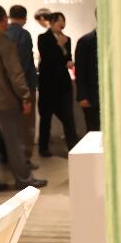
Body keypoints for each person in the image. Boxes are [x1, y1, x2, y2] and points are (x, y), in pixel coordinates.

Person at [0, 5, 48, 196]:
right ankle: (24, 179)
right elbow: (15, 73)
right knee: (14, 142)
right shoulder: (4, 42)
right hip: (3, 101)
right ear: (4, 19)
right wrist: (25, 96)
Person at [37, 12, 79, 156]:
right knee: (46, 117)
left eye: (63, 20)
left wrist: (69, 61)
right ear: (51, 22)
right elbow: (47, 58)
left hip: (63, 83)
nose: (61, 23)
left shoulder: (67, 38)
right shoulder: (43, 38)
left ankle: (73, 146)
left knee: (68, 117)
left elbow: (67, 57)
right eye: (58, 21)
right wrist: (58, 45)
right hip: (48, 84)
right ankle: (43, 148)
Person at [5, 5, 38, 164]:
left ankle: (10, 158)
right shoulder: (23, 35)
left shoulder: (2, 33)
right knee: (26, 125)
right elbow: (23, 64)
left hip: (6, 88)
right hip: (24, 86)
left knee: (10, 125)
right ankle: (24, 160)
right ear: (24, 18)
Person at [74, 25, 100, 133]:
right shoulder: (85, 41)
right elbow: (80, 70)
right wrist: (82, 95)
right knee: (94, 130)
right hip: (91, 95)